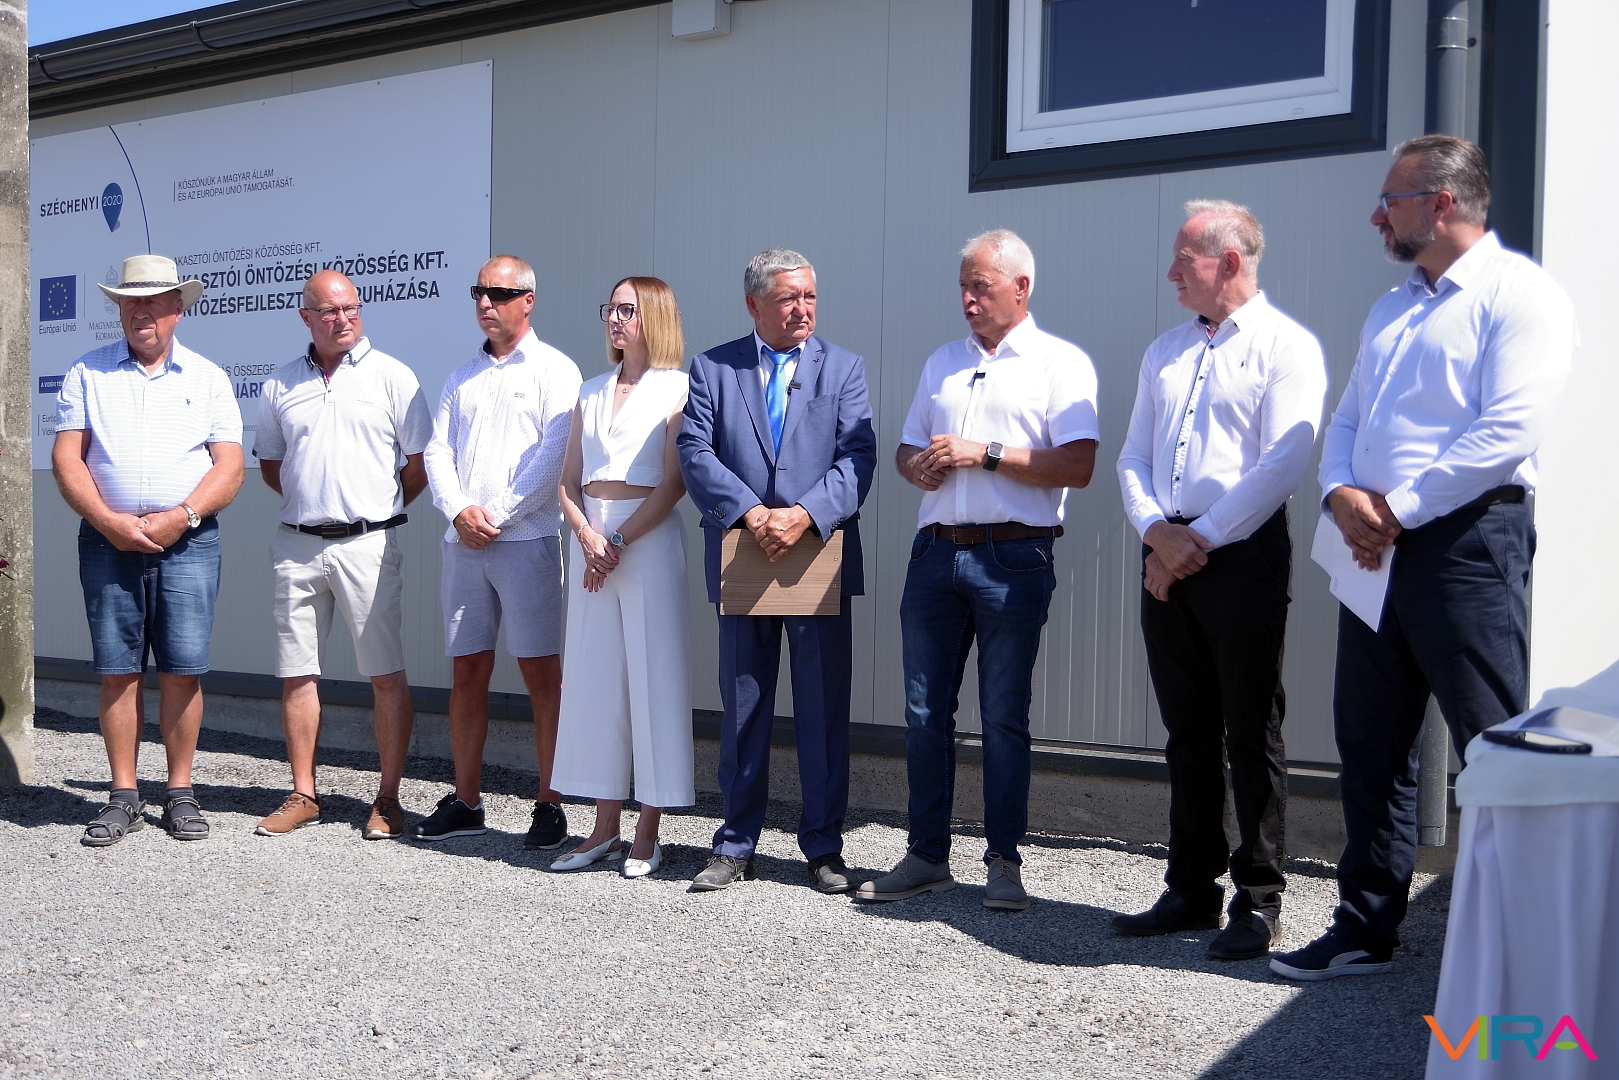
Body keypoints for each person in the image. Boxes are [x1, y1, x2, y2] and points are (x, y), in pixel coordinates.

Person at [1271, 136, 1575, 980]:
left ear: (1440, 203)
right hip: (1371, 544)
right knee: (1370, 742)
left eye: (1390, 200)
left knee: (1492, 746)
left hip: (1465, 543)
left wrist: (1395, 510)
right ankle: (1364, 928)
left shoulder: (1520, 295)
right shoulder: (1391, 308)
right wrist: (1339, 492)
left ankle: (1522, 948)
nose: (1377, 216)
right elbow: (1348, 418)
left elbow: (1507, 429)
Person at [1112, 202, 1328, 959]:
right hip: (1166, 551)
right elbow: (1132, 457)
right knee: (1187, 729)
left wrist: (1193, 540)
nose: (1171, 273)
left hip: (1238, 554)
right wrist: (1156, 533)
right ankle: (1191, 888)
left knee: (1250, 726)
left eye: (1185, 258)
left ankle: (1259, 898)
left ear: (1229, 261)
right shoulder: (1164, 351)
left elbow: (1282, 463)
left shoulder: (1284, 346)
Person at [858, 229, 1097, 912]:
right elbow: (906, 450)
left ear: (1021, 287)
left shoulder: (1060, 363)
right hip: (935, 553)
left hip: (1013, 556)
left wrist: (983, 452)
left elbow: (1077, 464)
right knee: (923, 712)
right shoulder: (943, 361)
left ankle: (1003, 862)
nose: (967, 298)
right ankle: (927, 855)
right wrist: (920, 466)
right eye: (962, 286)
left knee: (1002, 715)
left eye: (980, 286)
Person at [677, 248, 876, 893]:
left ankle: (823, 845)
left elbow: (858, 457)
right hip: (743, 555)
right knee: (743, 704)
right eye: (789, 298)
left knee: (822, 708)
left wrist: (806, 514)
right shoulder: (713, 368)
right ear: (753, 304)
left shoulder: (843, 368)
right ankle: (735, 843)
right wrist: (751, 512)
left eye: (810, 296)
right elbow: (694, 450)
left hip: (818, 555)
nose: (803, 309)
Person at [51, 254, 244, 846]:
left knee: (183, 671)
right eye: (131, 302)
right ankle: (123, 796)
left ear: (177, 309)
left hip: (188, 541)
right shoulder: (86, 372)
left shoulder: (208, 378)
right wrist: (107, 522)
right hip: (107, 542)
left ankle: (180, 792)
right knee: (118, 672)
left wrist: (181, 517)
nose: (142, 312)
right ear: (119, 309)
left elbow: (229, 467)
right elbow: (67, 459)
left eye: (155, 302)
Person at [250, 270, 434, 840]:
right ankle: (304, 794)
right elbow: (272, 464)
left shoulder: (393, 377)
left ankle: (388, 799)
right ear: (305, 317)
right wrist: (315, 504)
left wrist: (372, 509)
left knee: (385, 673)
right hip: (297, 544)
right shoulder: (279, 384)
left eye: (351, 307)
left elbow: (419, 463)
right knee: (297, 673)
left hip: (367, 544)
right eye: (329, 311)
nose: (343, 319)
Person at [417, 255, 583, 845]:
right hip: (464, 543)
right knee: (467, 670)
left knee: (541, 674)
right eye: (479, 292)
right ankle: (466, 800)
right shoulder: (461, 375)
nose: (486, 302)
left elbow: (554, 456)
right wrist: (458, 511)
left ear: (528, 300)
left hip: (527, 542)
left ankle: (550, 803)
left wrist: (495, 515)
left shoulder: (556, 370)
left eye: (500, 292)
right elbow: (437, 451)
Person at [549, 277, 695, 878]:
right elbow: (567, 480)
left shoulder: (679, 388)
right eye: (609, 307)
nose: (614, 318)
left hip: (646, 539)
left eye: (627, 309)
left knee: (653, 678)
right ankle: (602, 826)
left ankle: (647, 830)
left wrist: (617, 541)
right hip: (593, 541)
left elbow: (675, 481)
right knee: (594, 679)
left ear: (653, 315)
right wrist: (588, 536)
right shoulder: (590, 389)